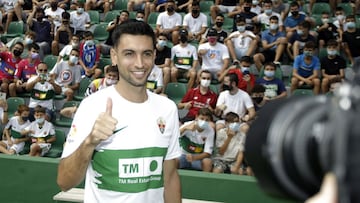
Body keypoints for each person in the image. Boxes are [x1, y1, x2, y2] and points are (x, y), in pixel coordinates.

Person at [57, 21, 182, 202]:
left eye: (146, 54)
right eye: (129, 54)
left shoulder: (167, 108)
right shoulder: (92, 106)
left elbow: (170, 178)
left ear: (154, 56)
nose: (139, 63)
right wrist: (90, 142)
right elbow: (64, 182)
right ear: (114, 56)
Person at [177, 107, 214, 172]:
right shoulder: (188, 124)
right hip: (183, 155)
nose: (204, 121)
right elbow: (174, 136)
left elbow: (207, 153)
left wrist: (194, 158)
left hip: (198, 157)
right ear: (197, 117)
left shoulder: (210, 131)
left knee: (207, 162)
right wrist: (185, 128)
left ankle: (204, 181)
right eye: (202, 118)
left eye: (207, 120)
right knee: (172, 160)